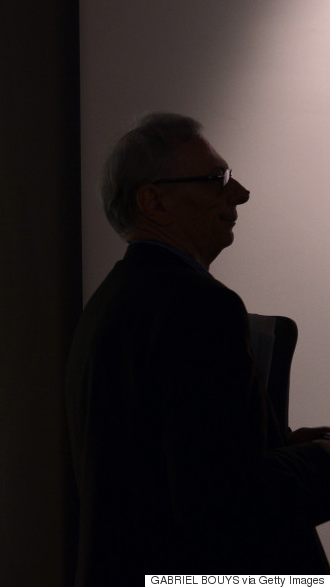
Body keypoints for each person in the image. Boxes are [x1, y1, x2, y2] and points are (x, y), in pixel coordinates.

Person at [65, 112, 330, 580]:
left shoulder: (112, 301)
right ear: (154, 201)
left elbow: (170, 470)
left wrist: (283, 449)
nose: (239, 194)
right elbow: (229, 509)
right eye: (216, 179)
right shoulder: (199, 308)